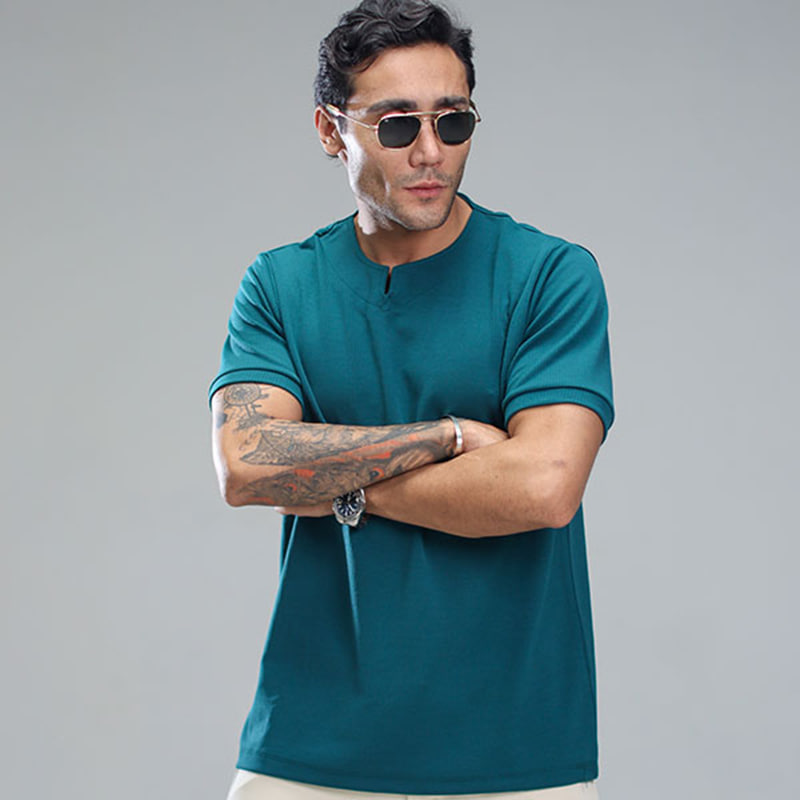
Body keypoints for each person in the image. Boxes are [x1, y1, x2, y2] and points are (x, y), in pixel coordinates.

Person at [209, 1, 614, 798]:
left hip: (515, 746)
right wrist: (451, 437)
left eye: (452, 121)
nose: (431, 151)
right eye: (397, 125)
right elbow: (249, 465)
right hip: (311, 740)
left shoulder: (550, 275)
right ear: (331, 131)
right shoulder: (281, 284)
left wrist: (335, 486)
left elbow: (543, 486)